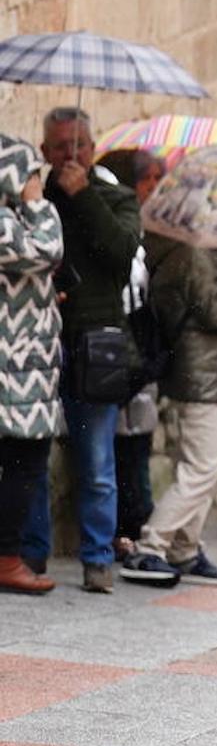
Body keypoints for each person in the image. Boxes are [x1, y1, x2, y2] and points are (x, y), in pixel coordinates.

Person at [32, 108, 139, 594]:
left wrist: (84, 196)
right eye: (60, 147)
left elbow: (120, 254)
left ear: (93, 149)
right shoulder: (35, 201)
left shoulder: (116, 197)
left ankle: (97, 558)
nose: (70, 155)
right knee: (29, 453)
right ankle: (30, 554)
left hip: (97, 343)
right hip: (42, 339)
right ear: (44, 152)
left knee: (96, 459)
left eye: (79, 145)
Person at [121, 240, 217, 587]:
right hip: (203, 378)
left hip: (206, 376)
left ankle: (184, 549)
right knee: (201, 470)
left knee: (197, 468)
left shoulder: (200, 253)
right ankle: (151, 547)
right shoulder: (196, 253)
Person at [0, 138, 63, 595]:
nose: (38, 181)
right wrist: (39, 204)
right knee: (23, 462)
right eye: (32, 173)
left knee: (25, 462)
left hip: (25, 369)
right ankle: (5, 559)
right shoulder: (7, 222)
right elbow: (46, 251)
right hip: (14, 371)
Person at [99, 149, 163, 563]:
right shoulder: (117, 229)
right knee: (119, 455)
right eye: (149, 180)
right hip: (116, 357)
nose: (155, 189)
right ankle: (123, 532)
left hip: (141, 364)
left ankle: (135, 526)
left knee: (137, 450)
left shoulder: (146, 232)